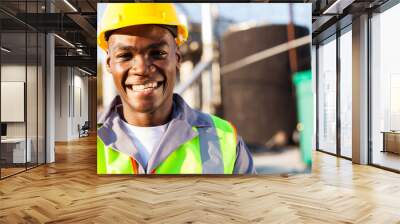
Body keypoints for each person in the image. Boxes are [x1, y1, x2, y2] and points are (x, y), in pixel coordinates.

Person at [97, 3, 256, 174]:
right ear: (109, 64)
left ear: (177, 59)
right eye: (125, 56)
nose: (141, 68)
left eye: (157, 53)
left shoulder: (225, 139)